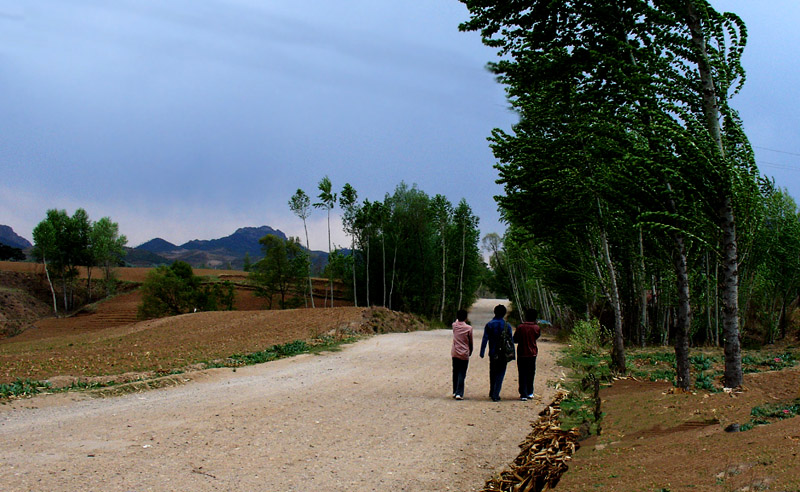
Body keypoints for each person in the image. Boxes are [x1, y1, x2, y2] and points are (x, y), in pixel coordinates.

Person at [480, 304, 513, 402]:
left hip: (493, 352)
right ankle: (496, 394)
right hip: (503, 353)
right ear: (504, 313)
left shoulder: (490, 324)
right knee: (501, 372)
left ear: (494, 312)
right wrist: (512, 353)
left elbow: (485, 338)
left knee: (493, 372)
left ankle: (492, 391)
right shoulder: (507, 325)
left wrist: (482, 351)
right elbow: (510, 340)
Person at [514, 308, 541, 401]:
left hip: (522, 352)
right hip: (532, 353)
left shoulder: (520, 327)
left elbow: (515, 339)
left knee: (522, 373)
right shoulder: (537, 327)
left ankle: (523, 393)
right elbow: (537, 336)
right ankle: (530, 392)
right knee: (531, 372)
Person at [451, 309, 473, 400]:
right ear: (466, 318)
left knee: (455, 372)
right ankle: (459, 393)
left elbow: (456, 322)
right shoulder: (469, 328)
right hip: (464, 353)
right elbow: (470, 341)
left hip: (455, 352)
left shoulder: (454, 326)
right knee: (462, 373)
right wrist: (470, 351)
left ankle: (455, 391)